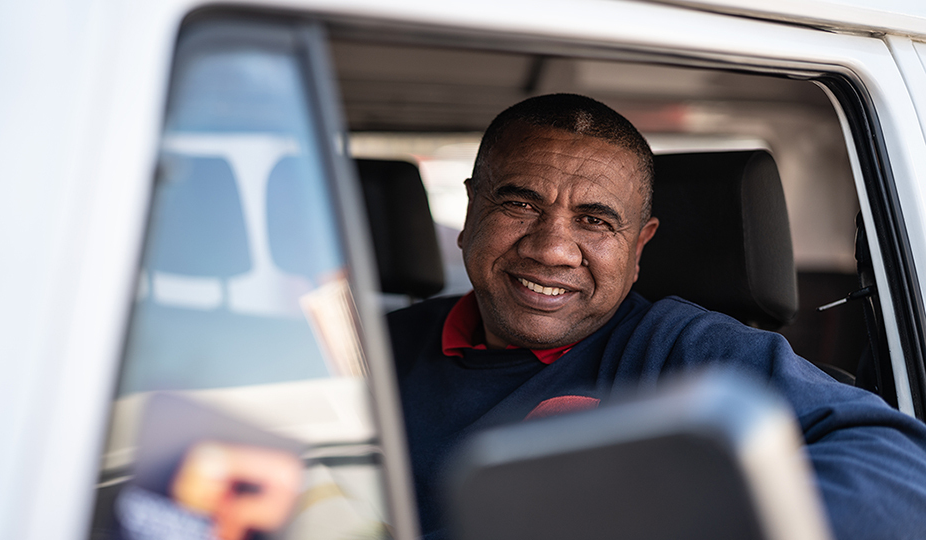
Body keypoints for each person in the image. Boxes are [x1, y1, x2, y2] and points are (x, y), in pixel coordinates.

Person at [387, 93, 926, 539]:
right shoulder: (381, 346)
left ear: (639, 247)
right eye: (520, 205)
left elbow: (901, 465)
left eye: (595, 221)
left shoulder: (683, 350)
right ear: (470, 212)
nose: (552, 249)